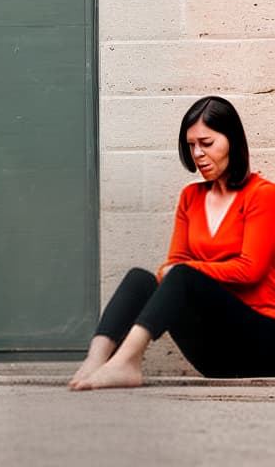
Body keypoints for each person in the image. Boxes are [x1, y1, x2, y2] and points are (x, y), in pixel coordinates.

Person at [69, 95, 275, 390]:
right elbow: (170, 265)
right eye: (191, 145)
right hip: (215, 355)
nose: (198, 154)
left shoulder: (262, 194)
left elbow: (249, 270)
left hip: (262, 342)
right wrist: (179, 271)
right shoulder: (190, 198)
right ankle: (96, 360)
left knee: (183, 276)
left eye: (206, 143)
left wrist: (186, 270)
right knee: (141, 279)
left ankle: (127, 361)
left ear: (232, 140)